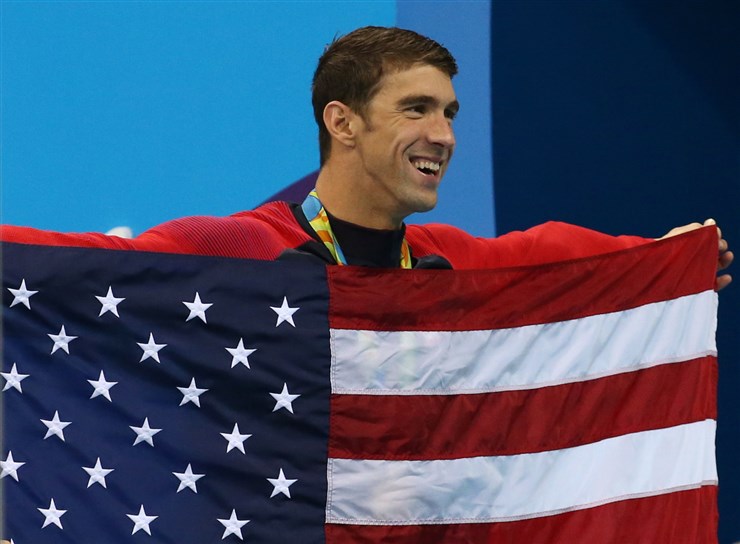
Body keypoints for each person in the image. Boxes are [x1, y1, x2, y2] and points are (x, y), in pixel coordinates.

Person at [0, 26, 733, 285]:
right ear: (341, 122)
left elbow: (544, 252)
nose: (444, 136)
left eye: (449, 113)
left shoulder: (442, 263)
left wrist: (651, 256)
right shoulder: (245, 248)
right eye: (416, 109)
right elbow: (81, 259)